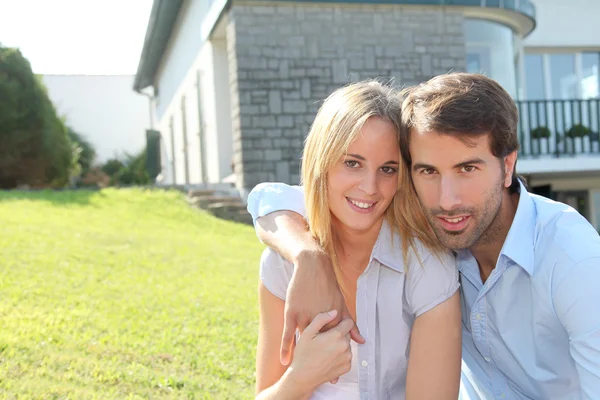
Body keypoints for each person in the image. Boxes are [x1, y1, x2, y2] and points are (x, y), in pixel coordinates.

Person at [247, 73, 600, 399]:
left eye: (467, 168)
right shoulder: (431, 224)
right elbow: (274, 197)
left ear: (507, 167)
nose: (447, 200)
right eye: (428, 171)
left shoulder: (575, 261)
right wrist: (307, 255)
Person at [254, 80, 462, 399]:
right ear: (322, 161)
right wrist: (301, 376)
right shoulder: (283, 264)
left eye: (388, 169)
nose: (370, 187)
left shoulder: (426, 265)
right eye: (353, 163)